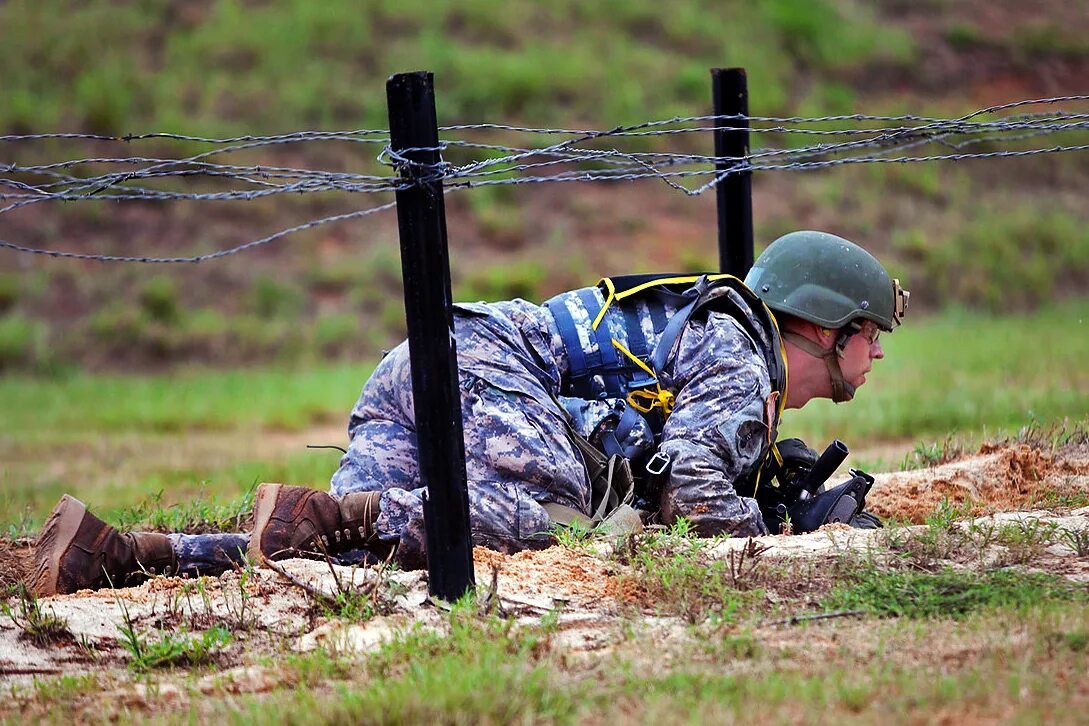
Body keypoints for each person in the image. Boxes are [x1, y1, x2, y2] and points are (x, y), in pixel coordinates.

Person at [30, 230, 908, 596]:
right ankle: (338, 515)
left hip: (424, 365)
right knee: (564, 518)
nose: (875, 357)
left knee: (350, 554)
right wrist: (790, 537)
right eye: (873, 338)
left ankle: (120, 556)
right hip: (483, 373)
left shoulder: (719, 332)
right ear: (833, 325)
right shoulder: (738, 345)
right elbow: (691, 487)